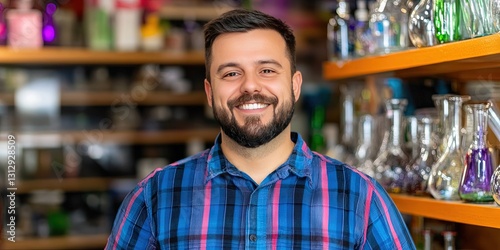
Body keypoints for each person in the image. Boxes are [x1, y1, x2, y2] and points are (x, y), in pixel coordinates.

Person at [105, 8, 416, 250]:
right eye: (231, 73)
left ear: (295, 86)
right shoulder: (156, 196)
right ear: (210, 92)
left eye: (266, 70)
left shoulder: (359, 197)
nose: (250, 86)